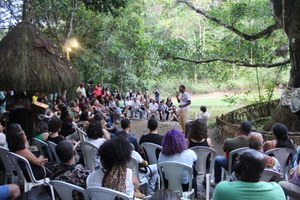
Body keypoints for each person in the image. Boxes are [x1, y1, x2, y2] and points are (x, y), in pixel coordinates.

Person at [213, 149, 285, 200]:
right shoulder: (277, 189)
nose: (236, 160)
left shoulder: (223, 189)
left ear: (244, 168)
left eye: (238, 160)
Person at [212, 121, 251, 185]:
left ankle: (217, 182)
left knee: (217, 159)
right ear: (249, 132)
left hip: (233, 167)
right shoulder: (252, 142)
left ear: (238, 129)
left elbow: (224, 149)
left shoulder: (229, 142)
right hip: (247, 167)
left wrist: (236, 137)